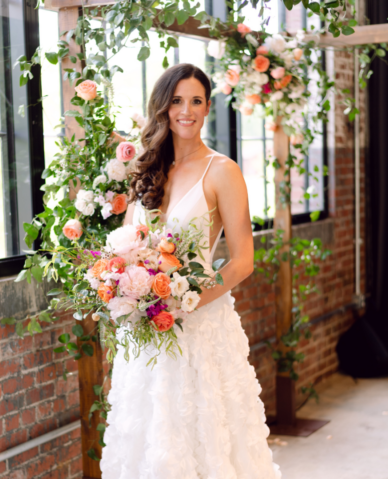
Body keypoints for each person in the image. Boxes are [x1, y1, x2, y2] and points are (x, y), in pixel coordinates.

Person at [100, 63, 282, 479]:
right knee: (151, 436)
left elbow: (242, 261)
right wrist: (125, 288)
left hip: (198, 325)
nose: (187, 110)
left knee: (207, 438)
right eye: (177, 100)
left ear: (207, 107)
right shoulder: (146, 169)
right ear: (162, 108)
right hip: (146, 329)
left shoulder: (222, 170)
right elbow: (130, 246)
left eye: (196, 101)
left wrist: (186, 301)